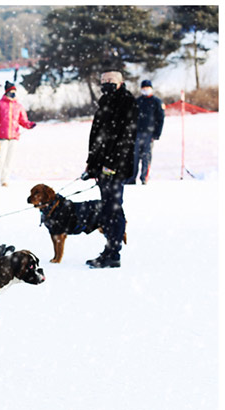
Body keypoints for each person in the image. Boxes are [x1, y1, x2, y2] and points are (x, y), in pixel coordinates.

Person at [82, 70, 137, 269]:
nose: (106, 83)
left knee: (113, 208)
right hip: (101, 166)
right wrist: (91, 163)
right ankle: (110, 250)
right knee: (107, 209)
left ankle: (113, 252)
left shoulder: (127, 103)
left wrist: (111, 164)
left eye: (110, 81)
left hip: (116, 166)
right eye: (103, 81)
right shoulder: (104, 103)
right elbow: (97, 137)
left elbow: (125, 138)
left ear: (120, 83)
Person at [0, 81, 36, 187]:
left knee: (9, 160)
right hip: (1, 137)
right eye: (11, 92)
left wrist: (29, 125)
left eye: (14, 92)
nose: (13, 94)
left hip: (13, 137)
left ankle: (4, 180)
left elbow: (23, 120)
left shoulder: (18, 106)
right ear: (6, 92)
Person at [127, 79, 164, 185]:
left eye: (147, 88)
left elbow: (160, 119)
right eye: (143, 88)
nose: (145, 90)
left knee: (146, 157)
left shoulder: (156, 102)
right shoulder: (138, 101)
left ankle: (144, 178)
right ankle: (131, 178)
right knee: (134, 157)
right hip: (137, 133)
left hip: (149, 134)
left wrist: (157, 134)